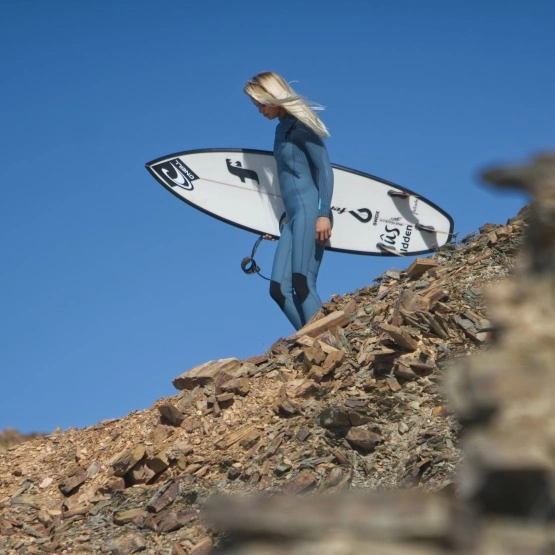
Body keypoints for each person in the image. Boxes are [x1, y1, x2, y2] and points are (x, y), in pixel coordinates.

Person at [244, 71, 334, 330]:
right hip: (293, 218)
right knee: (278, 289)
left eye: (261, 105)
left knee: (302, 282)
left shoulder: (300, 125)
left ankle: (330, 343)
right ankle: (312, 342)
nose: (260, 111)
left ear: (272, 97)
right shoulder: (280, 129)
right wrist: (283, 219)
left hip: (311, 211)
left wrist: (323, 214)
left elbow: (325, 171)